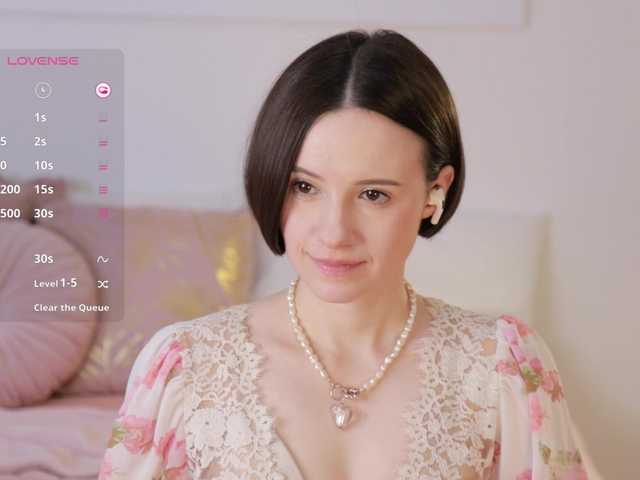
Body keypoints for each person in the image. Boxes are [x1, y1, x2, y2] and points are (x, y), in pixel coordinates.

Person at [99, 29, 591, 479]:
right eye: (305, 187)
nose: (334, 232)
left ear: (434, 192)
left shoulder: (502, 369)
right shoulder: (185, 367)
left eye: (373, 194)